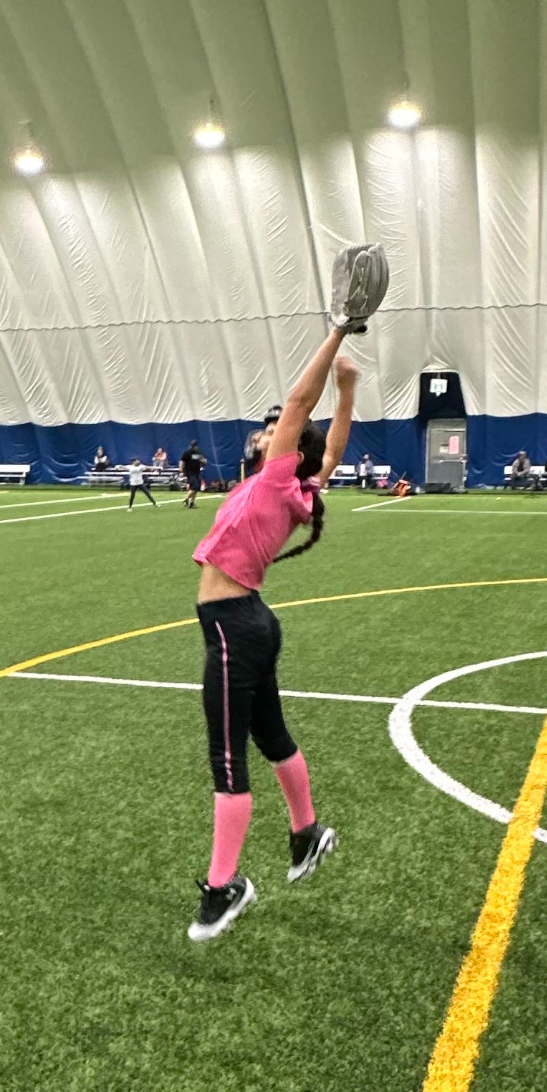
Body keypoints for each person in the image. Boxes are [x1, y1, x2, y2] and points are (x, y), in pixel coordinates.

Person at [188, 340, 360, 942]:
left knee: (227, 759)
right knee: (272, 737)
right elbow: (330, 451)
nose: (265, 435)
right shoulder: (299, 487)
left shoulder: (279, 479)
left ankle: (224, 886)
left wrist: (337, 333)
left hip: (234, 627)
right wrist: (347, 391)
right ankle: (306, 832)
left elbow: (297, 402)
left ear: (290, 450)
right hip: (250, 623)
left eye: (273, 432)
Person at [181, 440, 206, 508]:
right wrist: (181, 471)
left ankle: (192, 503)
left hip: (197, 472)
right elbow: (182, 461)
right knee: (194, 486)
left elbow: (203, 460)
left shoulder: (198, 453)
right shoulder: (187, 453)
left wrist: (203, 461)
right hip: (189, 472)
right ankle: (185, 498)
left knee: (196, 488)